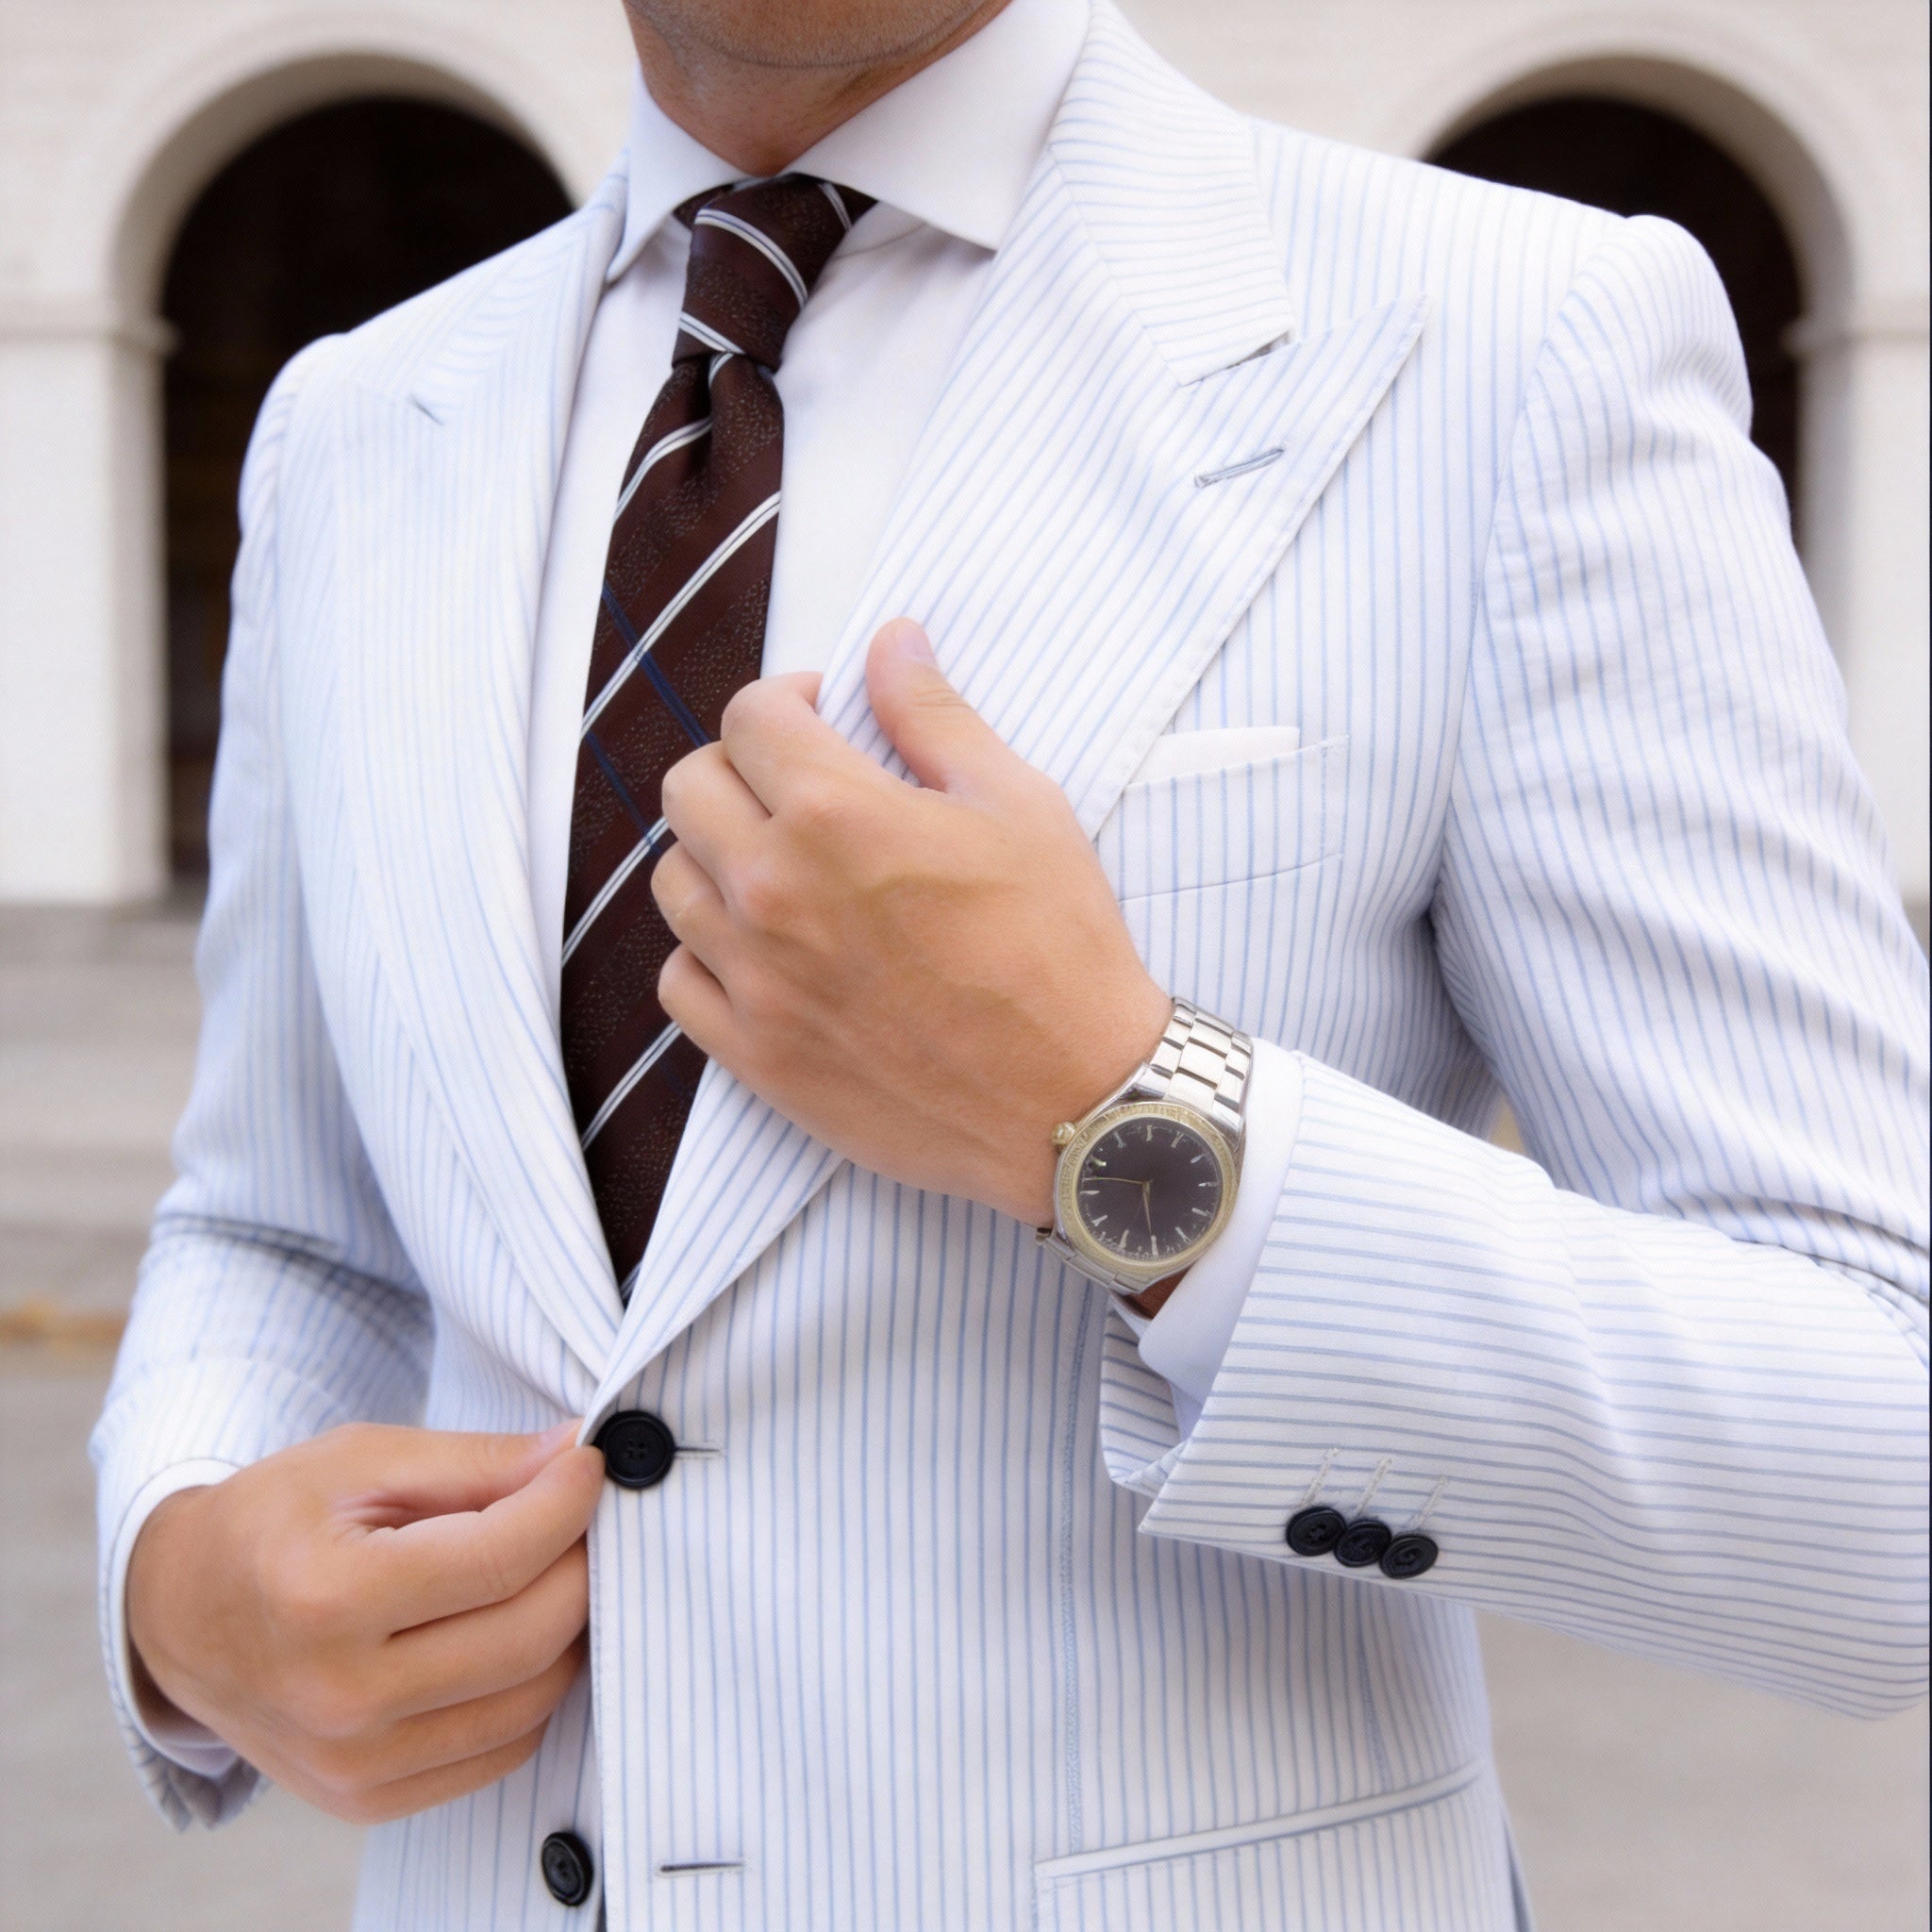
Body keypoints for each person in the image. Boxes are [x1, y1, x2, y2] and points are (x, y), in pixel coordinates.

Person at [93, 0, 1929, 1925]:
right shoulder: (357, 426)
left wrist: (1122, 1123)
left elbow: (1886, 1458)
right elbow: (281, 1227)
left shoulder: (1509, 342)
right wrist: (181, 1580)